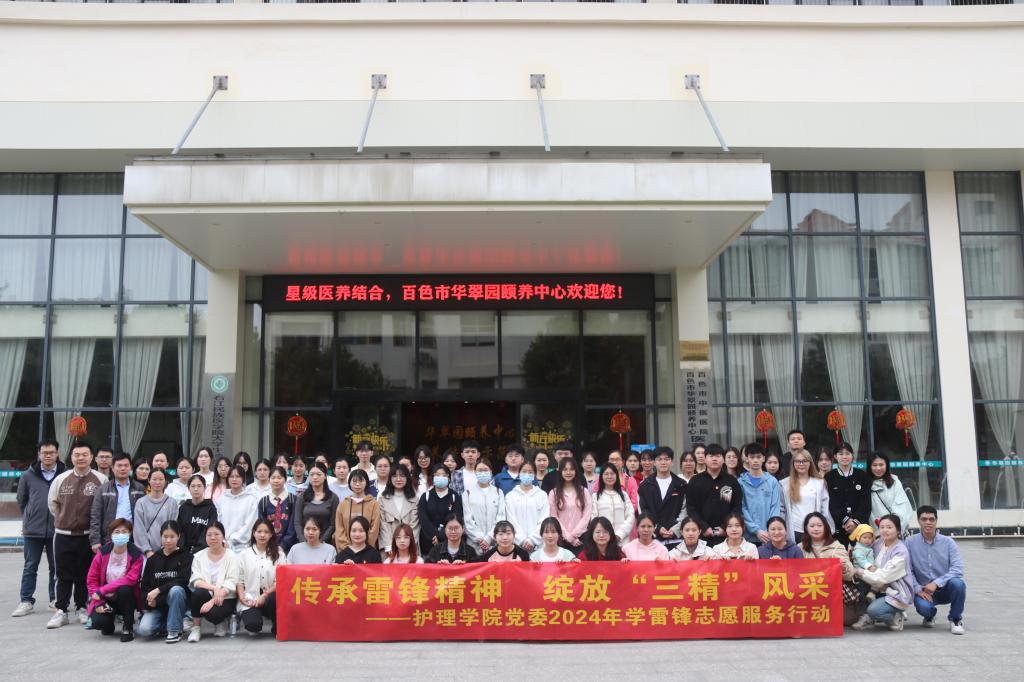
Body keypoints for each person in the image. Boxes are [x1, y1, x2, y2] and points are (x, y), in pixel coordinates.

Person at [46, 442, 107, 629]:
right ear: (71, 457)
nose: (81, 458)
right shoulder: (61, 479)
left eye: (85, 454)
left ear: (91, 457)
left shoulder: (101, 479)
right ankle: (61, 610)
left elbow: (104, 505)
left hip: (88, 536)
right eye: (77, 455)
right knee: (62, 574)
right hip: (63, 535)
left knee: (84, 573)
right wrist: (65, 519)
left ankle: (81, 607)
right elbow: (53, 504)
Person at [13, 439, 64, 618]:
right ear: (39, 454)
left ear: (57, 454)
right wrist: (30, 515)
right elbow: (21, 500)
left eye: (51, 452)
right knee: (30, 566)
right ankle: (26, 601)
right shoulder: (28, 475)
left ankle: (55, 599)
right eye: (44, 452)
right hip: (33, 529)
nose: (48, 455)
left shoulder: (65, 474)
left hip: (58, 528)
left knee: (56, 566)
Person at [905, 506, 966, 634]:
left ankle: (955, 619)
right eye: (924, 519)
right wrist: (917, 589)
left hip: (945, 588)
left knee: (958, 584)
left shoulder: (948, 542)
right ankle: (929, 615)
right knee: (924, 608)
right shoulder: (910, 542)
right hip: (923, 591)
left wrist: (936, 583)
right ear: (918, 521)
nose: (928, 522)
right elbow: (907, 569)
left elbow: (957, 569)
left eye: (931, 519)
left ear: (936, 521)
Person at [851, 514, 915, 632]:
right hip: (877, 588)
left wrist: (860, 571)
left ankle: (894, 617)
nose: (885, 530)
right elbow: (863, 552)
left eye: (889, 527)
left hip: (894, 592)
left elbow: (882, 577)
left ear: (898, 530)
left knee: (874, 611)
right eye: (882, 527)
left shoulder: (900, 552)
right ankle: (869, 615)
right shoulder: (878, 543)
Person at [85, 518, 144, 642]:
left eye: (124, 532)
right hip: (105, 598)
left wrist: (102, 590)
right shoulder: (102, 553)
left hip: (125, 598)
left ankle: (128, 628)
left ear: (130, 534)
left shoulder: (136, 554)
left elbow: (130, 579)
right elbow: (92, 579)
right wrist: (98, 602)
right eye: (117, 532)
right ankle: (109, 624)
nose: (120, 535)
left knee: (125, 589)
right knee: (98, 623)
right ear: (111, 534)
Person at [138, 520, 191, 643]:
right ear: (160, 536)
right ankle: (168, 624)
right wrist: (150, 602)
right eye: (165, 536)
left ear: (178, 536)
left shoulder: (186, 556)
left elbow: (182, 580)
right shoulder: (153, 559)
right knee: (144, 630)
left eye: (172, 536)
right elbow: (145, 586)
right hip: (158, 606)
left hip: (178, 603)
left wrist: (158, 590)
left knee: (176, 590)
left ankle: (174, 630)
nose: (168, 540)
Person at [188, 523, 241, 642]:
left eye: (216, 534)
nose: (213, 538)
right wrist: (214, 589)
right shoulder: (199, 556)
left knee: (213, 613)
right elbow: (196, 580)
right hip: (207, 594)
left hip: (226, 596)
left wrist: (215, 598)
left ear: (223, 536)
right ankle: (196, 628)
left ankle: (220, 622)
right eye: (209, 535)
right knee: (197, 594)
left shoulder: (232, 556)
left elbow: (232, 580)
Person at [685, 443, 742, 547]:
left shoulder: (732, 481)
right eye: (711, 456)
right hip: (701, 535)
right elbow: (691, 508)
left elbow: (736, 506)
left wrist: (725, 527)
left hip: (726, 535)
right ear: (705, 459)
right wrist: (703, 527)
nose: (714, 459)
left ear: (723, 459)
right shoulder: (695, 481)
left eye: (718, 456)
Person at [237, 519, 284, 636]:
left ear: (271, 534)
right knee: (253, 626)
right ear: (254, 533)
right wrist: (242, 597)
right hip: (251, 599)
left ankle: (277, 625)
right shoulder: (244, 555)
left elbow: (281, 580)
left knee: (272, 599)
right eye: (259, 531)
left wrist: (265, 595)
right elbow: (240, 580)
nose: (262, 535)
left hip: (270, 599)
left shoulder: (279, 554)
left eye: (266, 532)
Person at [90, 452, 145, 552]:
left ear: (130, 468)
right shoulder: (103, 489)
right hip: (109, 538)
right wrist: (95, 541)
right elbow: (95, 516)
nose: (123, 468)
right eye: (119, 466)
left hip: (133, 538)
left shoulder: (139, 488)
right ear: (112, 468)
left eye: (126, 465)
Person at [637, 446, 687, 549]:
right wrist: (657, 528)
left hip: (677, 539)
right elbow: (644, 510)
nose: (663, 462)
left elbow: (685, 509)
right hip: (653, 539)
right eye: (659, 459)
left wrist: (676, 529)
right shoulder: (645, 485)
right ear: (654, 462)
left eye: (666, 459)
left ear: (672, 462)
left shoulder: (681, 484)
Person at [826, 441, 873, 548]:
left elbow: (866, 503)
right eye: (841, 454)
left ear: (852, 456)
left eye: (847, 453)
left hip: (861, 529)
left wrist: (855, 522)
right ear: (835, 456)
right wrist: (845, 520)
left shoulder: (862, 475)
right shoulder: (829, 477)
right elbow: (831, 503)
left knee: (861, 555)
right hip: (839, 527)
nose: (844, 457)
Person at [780, 450, 833, 544]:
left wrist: (827, 530)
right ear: (793, 463)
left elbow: (824, 509)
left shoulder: (819, 483)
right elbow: (782, 509)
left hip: (814, 530)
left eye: (804, 461)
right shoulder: (784, 484)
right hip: (794, 531)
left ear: (810, 463)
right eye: (798, 461)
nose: (801, 464)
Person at [738, 443, 782, 545]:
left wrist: (770, 529)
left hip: (769, 536)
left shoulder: (772, 481)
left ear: (763, 458)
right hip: (747, 537)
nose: (755, 460)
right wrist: (756, 530)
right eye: (752, 457)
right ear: (746, 459)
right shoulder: (740, 482)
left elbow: (775, 507)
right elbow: (742, 508)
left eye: (758, 457)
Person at [132, 468, 180, 558]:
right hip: (145, 554)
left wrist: (165, 550)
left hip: (167, 553)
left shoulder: (172, 502)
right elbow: (139, 529)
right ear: (149, 480)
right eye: (154, 479)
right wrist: (147, 551)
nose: (157, 482)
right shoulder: (141, 503)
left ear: (165, 481)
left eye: (161, 479)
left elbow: (173, 527)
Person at [417, 463, 463, 553]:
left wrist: (441, 536)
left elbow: (457, 518)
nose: (440, 477)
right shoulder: (425, 496)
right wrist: (435, 535)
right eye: (437, 475)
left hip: (449, 541)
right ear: (433, 477)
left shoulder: (455, 496)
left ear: (449, 478)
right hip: (428, 542)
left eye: (444, 475)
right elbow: (423, 520)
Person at [503, 460, 548, 553]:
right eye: (524, 471)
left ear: (534, 474)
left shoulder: (542, 495)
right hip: (517, 545)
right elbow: (511, 520)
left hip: (538, 545)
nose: (527, 474)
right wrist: (522, 540)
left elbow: (544, 519)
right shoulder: (510, 496)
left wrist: (532, 540)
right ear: (519, 473)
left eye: (530, 472)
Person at [548, 456, 591, 552]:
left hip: (581, 539)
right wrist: (568, 536)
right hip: (560, 539)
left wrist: (574, 535)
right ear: (560, 472)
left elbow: (586, 516)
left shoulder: (584, 491)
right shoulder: (553, 493)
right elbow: (554, 516)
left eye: (571, 469)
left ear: (576, 471)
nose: (568, 472)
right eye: (565, 469)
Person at [800, 511, 856, 586]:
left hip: (832, 590)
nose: (816, 529)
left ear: (825, 527)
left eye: (819, 525)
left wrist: (844, 568)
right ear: (806, 528)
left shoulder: (836, 547)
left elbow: (850, 575)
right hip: (809, 589)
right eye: (812, 526)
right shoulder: (800, 548)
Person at [464, 459, 506, 554]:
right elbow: (467, 520)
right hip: (474, 545)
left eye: (486, 470)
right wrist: (480, 539)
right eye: (479, 470)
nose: (483, 473)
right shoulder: (468, 493)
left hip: (494, 543)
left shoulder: (498, 492)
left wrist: (489, 538)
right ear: (475, 472)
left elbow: (501, 517)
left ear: (491, 472)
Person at [292, 463, 339, 547]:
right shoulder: (302, 497)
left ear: (325, 476)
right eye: (312, 474)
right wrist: (303, 541)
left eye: (318, 474)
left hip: (325, 544)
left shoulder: (333, 497)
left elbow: (333, 524)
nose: (315, 477)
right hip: (304, 543)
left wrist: (321, 541)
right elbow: (297, 522)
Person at [378, 464, 420, 559]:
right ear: (390, 479)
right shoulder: (382, 499)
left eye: (402, 476)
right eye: (394, 476)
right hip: (389, 549)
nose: (398, 479)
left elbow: (415, 525)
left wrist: (407, 544)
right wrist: (389, 545)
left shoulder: (414, 499)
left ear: (407, 478)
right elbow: (383, 524)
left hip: (410, 548)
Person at [215, 466, 259, 552]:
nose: (234, 479)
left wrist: (232, 539)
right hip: (223, 545)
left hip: (243, 547)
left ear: (243, 479)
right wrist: (222, 540)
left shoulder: (251, 500)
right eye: (231, 476)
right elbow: (217, 521)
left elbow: (250, 525)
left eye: (238, 476)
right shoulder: (221, 499)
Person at [334, 469, 380, 552]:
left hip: (368, 551)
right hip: (346, 552)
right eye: (354, 481)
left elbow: (374, 529)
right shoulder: (343, 505)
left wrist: (364, 548)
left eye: (361, 481)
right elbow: (339, 529)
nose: (357, 484)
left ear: (366, 483)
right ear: (349, 483)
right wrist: (347, 549)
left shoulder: (373, 504)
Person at [869, 454, 914, 535]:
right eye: (874, 465)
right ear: (869, 466)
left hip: (895, 531)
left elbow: (902, 507)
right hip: (876, 533)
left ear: (887, 465)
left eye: (881, 465)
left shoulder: (895, 482)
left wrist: (894, 528)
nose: (878, 468)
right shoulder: (865, 484)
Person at [258, 466, 298, 552]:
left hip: (290, 548)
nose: (276, 481)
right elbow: (262, 526)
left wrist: (283, 545)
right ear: (269, 480)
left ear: (285, 480)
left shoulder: (293, 499)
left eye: (279, 478)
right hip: (268, 547)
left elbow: (293, 526)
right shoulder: (263, 502)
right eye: (273, 478)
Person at [177, 475, 218, 555]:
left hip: (204, 552)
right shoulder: (183, 508)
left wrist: (199, 549)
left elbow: (211, 530)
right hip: (184, 552)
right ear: (188, 488)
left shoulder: (211, 508)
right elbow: (180, 531)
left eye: (199, 486)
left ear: (204, 488)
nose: (196, 489)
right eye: (193, 486)